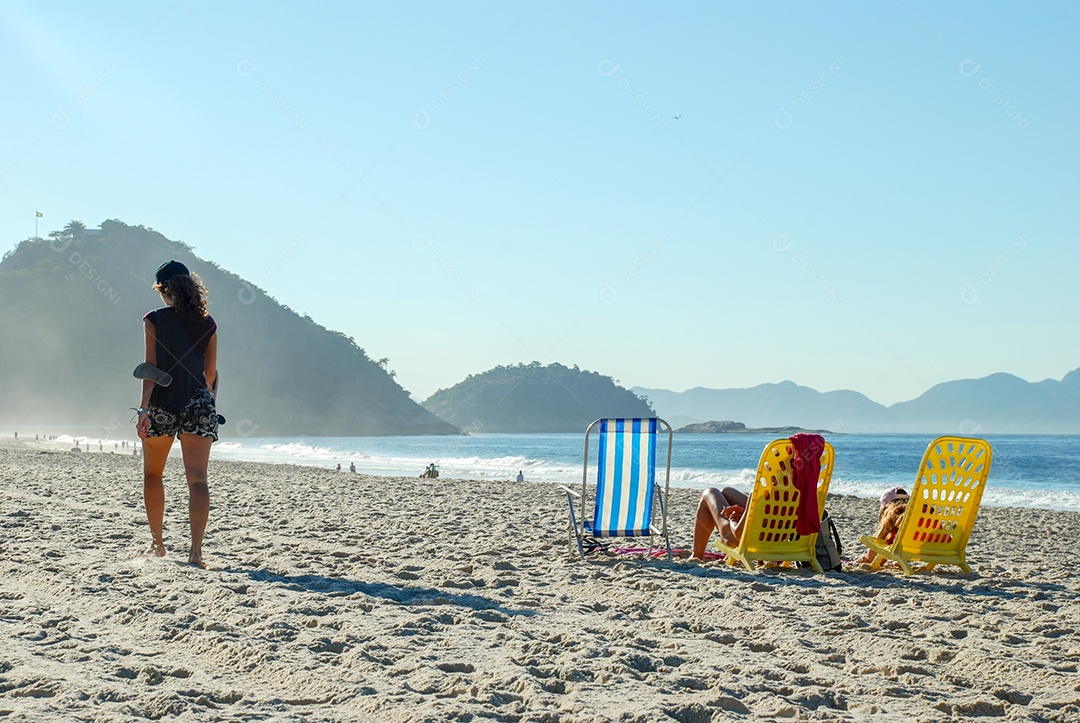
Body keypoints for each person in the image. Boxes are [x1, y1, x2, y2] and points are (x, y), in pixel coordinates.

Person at [135, 260, 218, 569]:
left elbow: (150, 369)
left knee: (153, 474)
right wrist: (204, 398)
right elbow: (209, 373)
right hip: (198, 402)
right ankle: (196, 553)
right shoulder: (207, 322)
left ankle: (158, 544)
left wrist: (143, 409)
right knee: (198, 480)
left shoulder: (154, 319)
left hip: (162, 403)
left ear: (162, 289)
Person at [855, 487, 910, 565]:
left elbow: (879, 540)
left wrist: (868, 558)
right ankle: (902, 560)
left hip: (900, 547)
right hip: (921, 545)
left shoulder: (892, 514)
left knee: (886, 538)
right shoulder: (913, 513)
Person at [691, 486, 749, 559]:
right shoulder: (765, 498)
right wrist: (744, 513)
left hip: (743, 540)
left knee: (710, 492)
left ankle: (697, 554)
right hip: (766, 540)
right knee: (727, 491)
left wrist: (734, 519)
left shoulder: (756, 494)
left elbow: (738, 533)